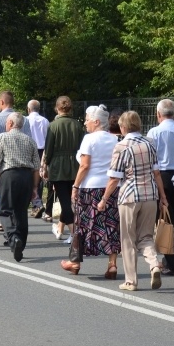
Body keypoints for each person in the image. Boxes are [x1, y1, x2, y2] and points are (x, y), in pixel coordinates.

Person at [101, 111, 169, 290]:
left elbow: (114, 178)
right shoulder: (150, 143)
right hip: (150, 195)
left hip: (129, 196)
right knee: (146, 236)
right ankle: (154, 264)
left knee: (128, 240)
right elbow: (156, 173)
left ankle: (131, 280)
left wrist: (103, 199)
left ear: (123, 127)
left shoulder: (121, 146)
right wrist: (162, 197)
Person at [60, 105, 120, 278]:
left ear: (96, 121)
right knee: (111, 225)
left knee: (82, 224)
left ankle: (75, 262)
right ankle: (112, 264)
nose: (85, 122)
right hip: (110, 187)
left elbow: (85, 165)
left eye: (87, 119)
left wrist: (75, 185)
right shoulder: (114, 140)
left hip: (90, 187)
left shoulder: (89, 139)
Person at [0, 112, 40, 262]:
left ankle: (13, 237)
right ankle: (20, 243)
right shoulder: (30, 141)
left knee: (5, 210)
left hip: (9, 175)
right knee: (21, 211)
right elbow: (36, 167)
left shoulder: (2, 137)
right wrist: (35, 187)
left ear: (10, 123)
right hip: (26, 177)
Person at [147, 99, 174, 276]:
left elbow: (151, 157)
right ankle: (170, 258)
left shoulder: (154, 132)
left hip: (162, 176)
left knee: (165, 219)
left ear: (158, 114)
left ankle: (173, 262)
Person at [41, 95, 84, 243]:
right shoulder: (77, 125)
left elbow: (49, 149)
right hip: (75, 165)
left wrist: (45, 166)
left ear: (57, 108)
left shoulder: (53, 126)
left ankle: (74, 233)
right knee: (70, 200)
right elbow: (81, 147)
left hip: (57, 166)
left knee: (65, 201)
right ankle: (61, 229)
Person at [27, 99, 50, 217]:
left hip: (29, 150)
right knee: (40, 176)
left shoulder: (26, 120)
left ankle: (32, 203)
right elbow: (48, 138)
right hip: (42, 150)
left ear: (29, 109)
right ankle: (38, 201)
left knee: (28, 176)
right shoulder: (45, 121)